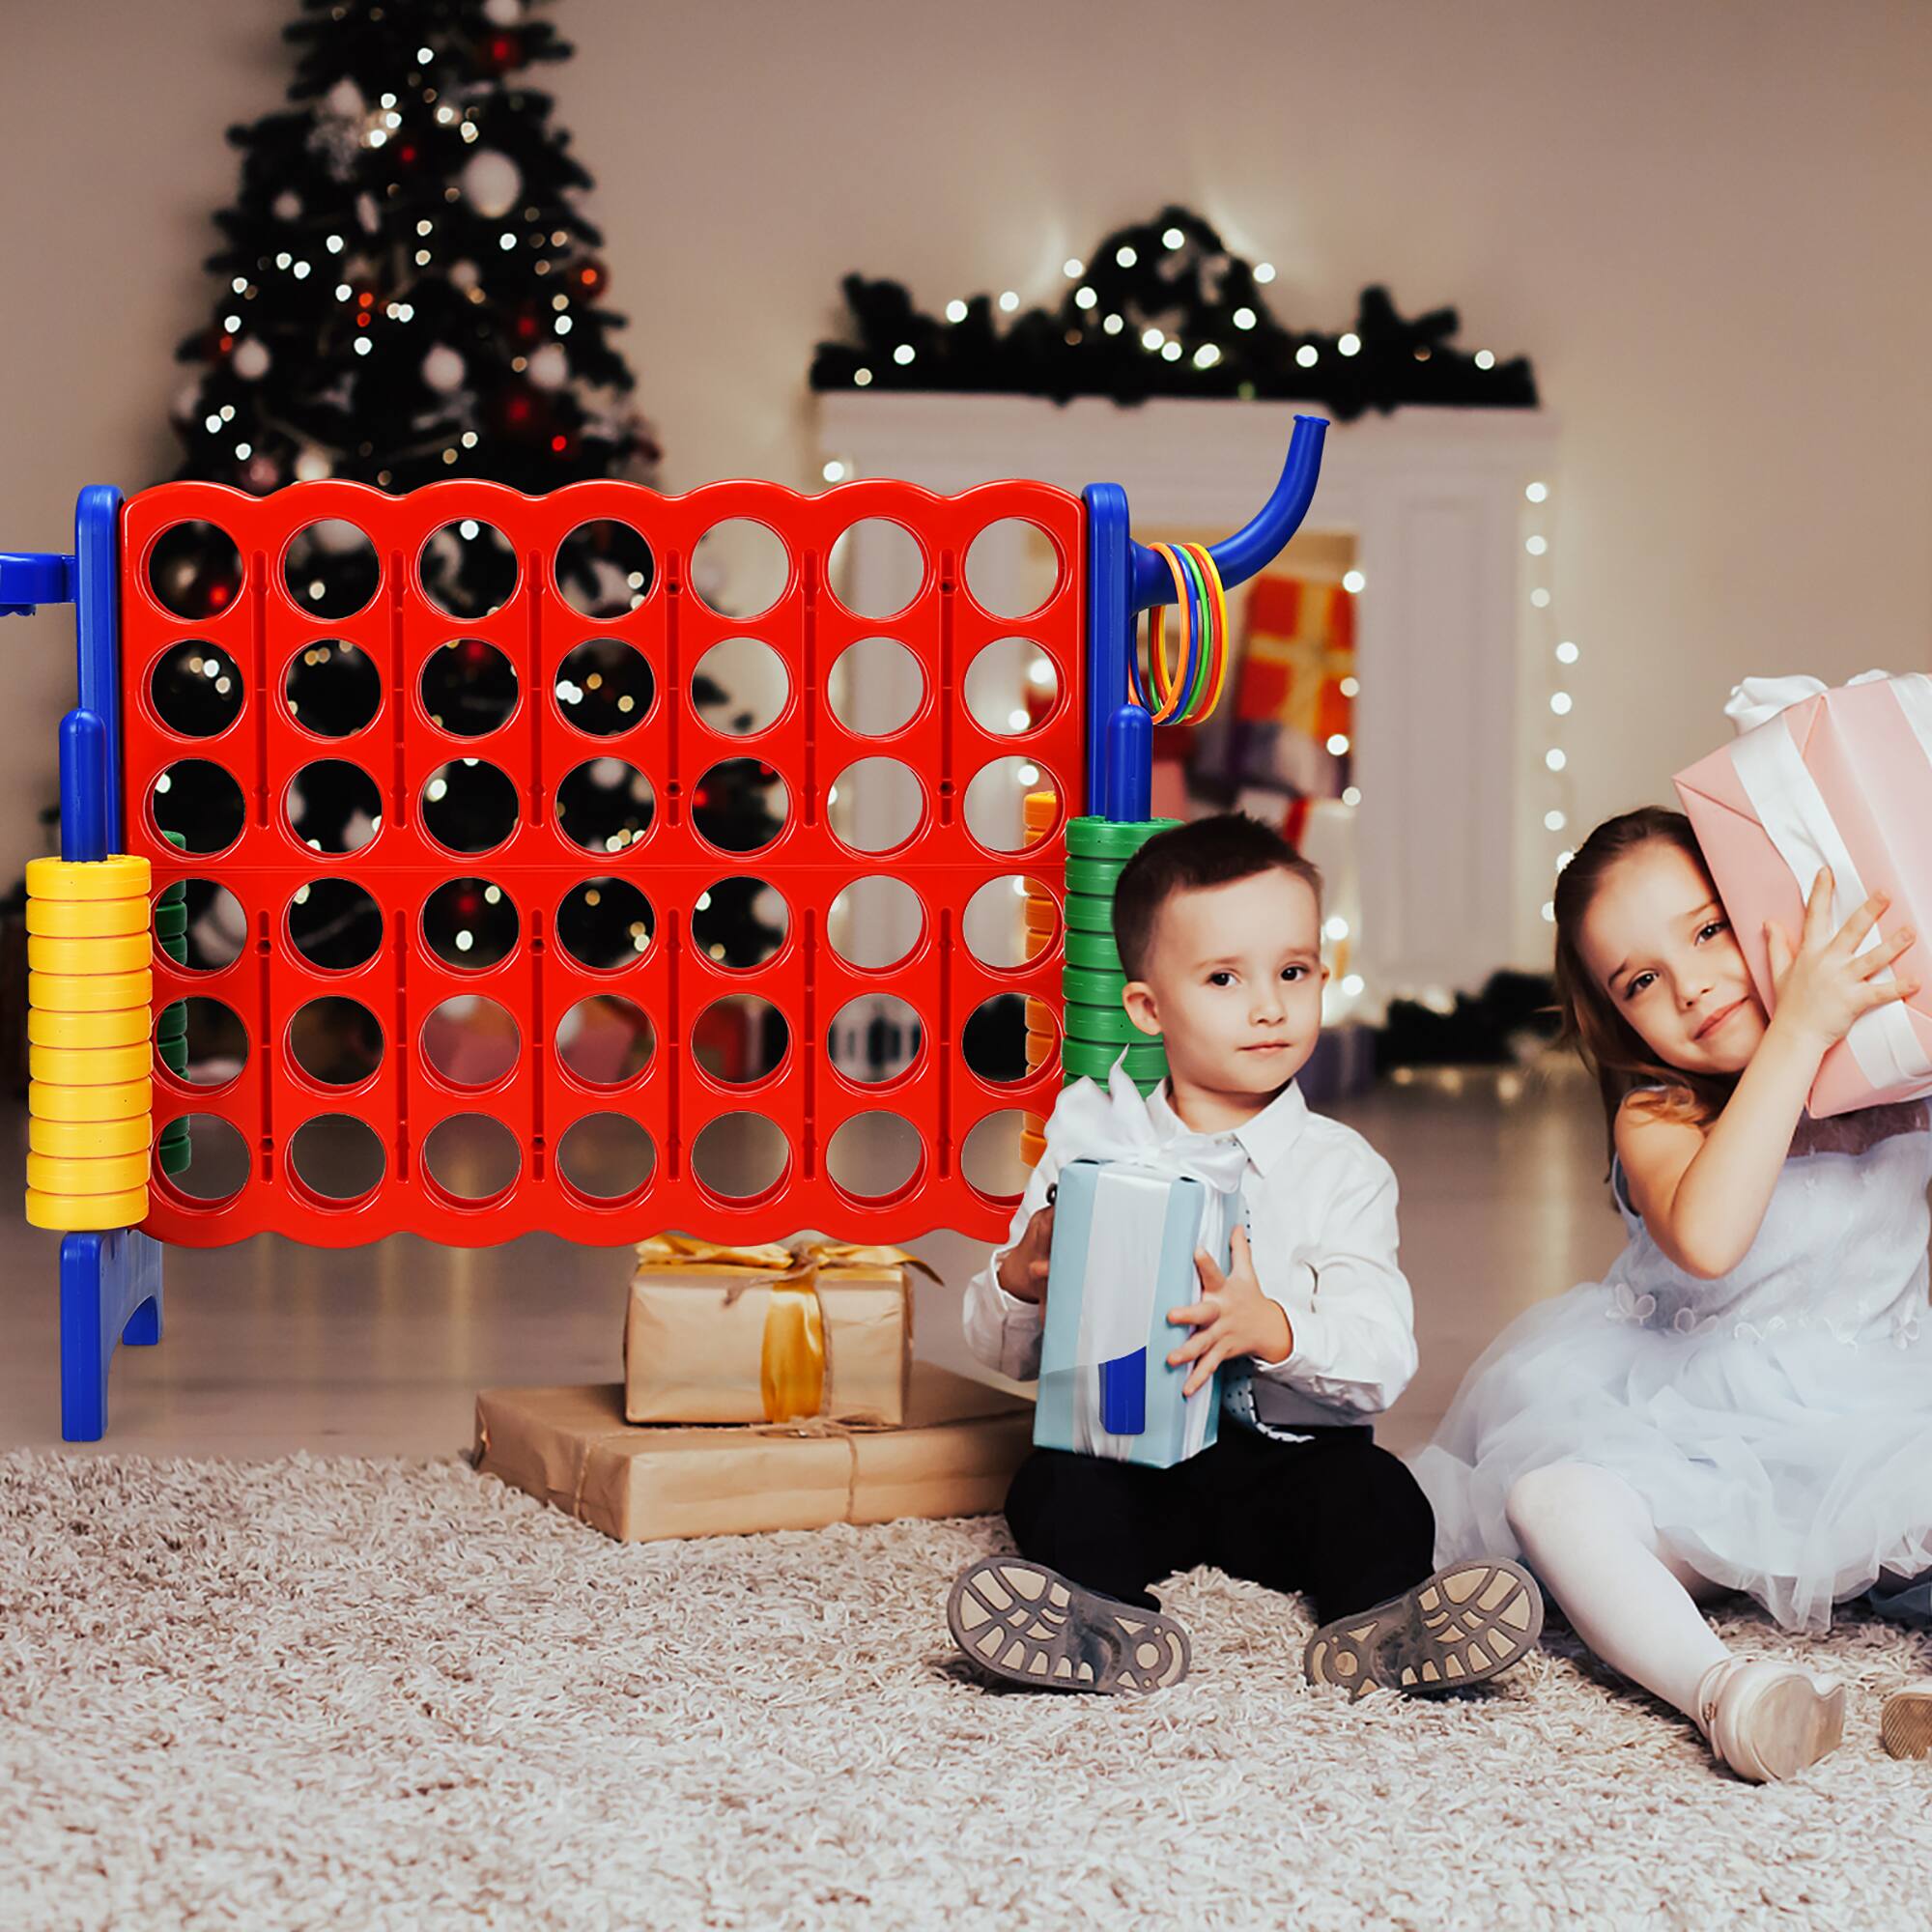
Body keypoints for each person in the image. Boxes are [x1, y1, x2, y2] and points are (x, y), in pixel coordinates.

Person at [949, 813, 1542, 1697]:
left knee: (1381, 1495)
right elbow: (1002, 1353)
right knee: (1050, 1489)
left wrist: (1275, 1329)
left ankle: (1383, 1629)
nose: (1270, 1005)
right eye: (1225, 977)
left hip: (1288, 1461)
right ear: (1149, 1007)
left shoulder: (1340, 1169)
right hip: (1130, 1450)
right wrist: (1023, 1281)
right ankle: (1101, 1623)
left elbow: (1383, 1360)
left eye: (1293, 972)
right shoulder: (1090, 1136)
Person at [1414, 806, 1932, 1781]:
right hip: (1691, 1427)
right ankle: (1723, 1691)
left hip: (1874, 1421)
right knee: (1550, 1499)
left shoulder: (1896, 1085)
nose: (1689, 983)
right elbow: (1704, 1234)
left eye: (1707, 928)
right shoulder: (1656, 1112)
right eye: (1639, 980)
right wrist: (1799, 1028)